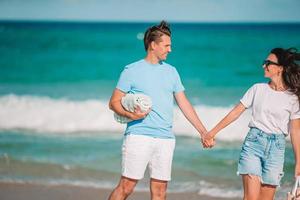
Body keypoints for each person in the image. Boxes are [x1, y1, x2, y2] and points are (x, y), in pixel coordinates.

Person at [108, 21, 208, 200]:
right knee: (126, 187)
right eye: (166, 45)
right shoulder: (132, 70)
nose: (170, 49)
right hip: (139, 136)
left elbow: (184, 103)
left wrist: (203, 131)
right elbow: (114, 102)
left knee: (160, 192)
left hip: (165, 138)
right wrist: (131, 115)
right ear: (153, 45)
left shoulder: (171, 72)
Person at [203, 47, 300, 200]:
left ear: (280, 68)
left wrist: (298, 162)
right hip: (253, 144)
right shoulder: (257, 89)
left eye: (268, 63)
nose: (264, 65)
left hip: (277, 149)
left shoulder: (292, 98)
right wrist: (211, 132)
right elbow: (235, 112)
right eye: (264, 62)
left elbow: (295, 131)